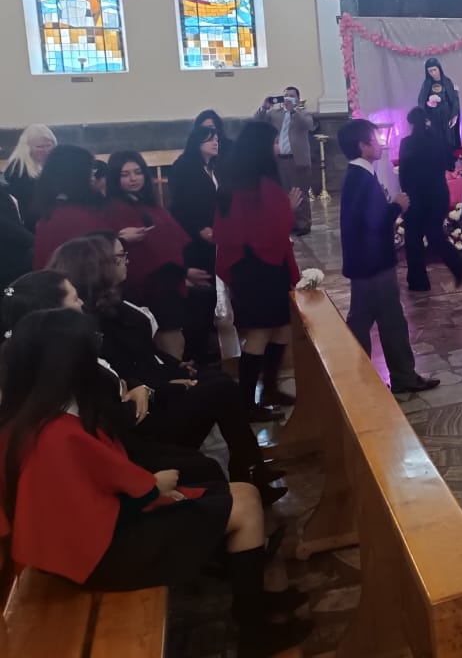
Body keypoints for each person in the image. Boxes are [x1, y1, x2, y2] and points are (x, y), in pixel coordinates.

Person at [0, 309, 311, 657]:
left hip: (101, 537)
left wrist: (151, 488)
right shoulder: (57, 434)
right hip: (104, 555)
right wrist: (156, 487)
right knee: (245, 508)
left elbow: (96, 485)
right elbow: (102, 500)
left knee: (243, 497)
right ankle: (255, 634)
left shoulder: (34, 416)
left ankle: (254, 605)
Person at [47, 235, 285, 503]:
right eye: (119, 257)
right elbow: (123, 375)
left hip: (155, 385)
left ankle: (250, 469)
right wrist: (168, 381)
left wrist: (174, 367)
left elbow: (146, 353)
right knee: (220, 389)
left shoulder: (116, 300)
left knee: (217, 382)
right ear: (98, 267)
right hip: (142, 415)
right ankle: (248, 473)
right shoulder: (91, 323)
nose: (127, 261)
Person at [1, 270, 226, 488]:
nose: (82, 304)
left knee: (214, 401)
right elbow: (100, 423)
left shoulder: (53, 353)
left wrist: (138, 389)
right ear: (51, 311)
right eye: (75, 298)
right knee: (206, 465)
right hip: (112, 456)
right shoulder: (57, 368)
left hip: (119, 441)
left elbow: (117, 386)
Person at [338, 119, 438, 395]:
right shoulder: (359, 178)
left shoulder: (361, 175)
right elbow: (372, 222)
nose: (380, 143)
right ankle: (359, 379)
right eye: (375, 138)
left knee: (384, 320)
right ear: (362, 145)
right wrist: (396, 206)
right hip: (372, 265)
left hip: (369, 263)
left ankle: (392, 376)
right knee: (369, 322)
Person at [215, 121, 302, 412]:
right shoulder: (254, 184)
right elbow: (266, 231)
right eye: (275, 142)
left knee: (281, 329)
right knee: (260, 333)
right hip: (258, 269)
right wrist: (287, 209)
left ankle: (270, 388)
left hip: (261, 266)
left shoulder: (239, 180)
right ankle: (246, 401)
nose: (277, 148)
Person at [104, 151, 207, 359]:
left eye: (137, 172)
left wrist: (183, 272)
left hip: (167, 281)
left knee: (179, 339)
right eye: (125, 174)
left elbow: (172, 238)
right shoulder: (115, 208)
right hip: (150, 287)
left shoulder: (147, 203)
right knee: (170, 345)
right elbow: (147, 254)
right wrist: (183, 273)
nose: (133, 178)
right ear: (115, 178)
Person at [33, 145, 145, 269]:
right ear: (76, 176)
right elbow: (91, 256)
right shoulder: (75, 217)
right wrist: (122, 240)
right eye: (90, 173)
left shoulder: (53, 211)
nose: (92, 179)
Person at [167, 125, 222, 365]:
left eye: (216, 138)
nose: (215, 143)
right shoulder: (184, 168)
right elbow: (179, 207)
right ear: (196, 143)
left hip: (212, 237)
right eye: (209, 140)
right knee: (200, 293)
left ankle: (207, 347)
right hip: (193, 241)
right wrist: (199, 227)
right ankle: (195, 355)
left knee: (210, 294)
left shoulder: (211, 167)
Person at [400, 106, 462, 293]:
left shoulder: (407, 143)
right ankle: (458, 266)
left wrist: (405, 193)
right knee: (435, 234)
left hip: (415, 195)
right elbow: (449, 164)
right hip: (437, 193)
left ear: (411, 123)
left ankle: (418, 282)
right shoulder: (438, 141)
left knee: (413, 238)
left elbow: (403, 173)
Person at [254, 86, 313, 236]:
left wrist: (294, 110)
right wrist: (264, 107)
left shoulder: (303, 114)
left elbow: (308, 125)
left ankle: (303, 224)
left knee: (300, 193)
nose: (287, 98)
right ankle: (289, 222)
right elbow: (257, 122)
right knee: (283, 193)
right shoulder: (275, 114)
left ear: (298, 99)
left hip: (297, 159)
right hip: (280, 160)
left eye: (291, 96)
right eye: (285, 95)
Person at [3, 124, 56, 230]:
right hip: (30, 224)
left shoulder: (52, 163)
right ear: (27, 148)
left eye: (48, 145)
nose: (45, 150)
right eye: (40, 147)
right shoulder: (17, 168)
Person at [416, 57, 462, 152]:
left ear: (439, 68)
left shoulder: (447, 81)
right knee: (436, 141)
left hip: (447, 116)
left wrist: (454, 115)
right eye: (430, 71)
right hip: (433, 117)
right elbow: (421, 101)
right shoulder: (427, 84)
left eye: (434, 70)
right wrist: (428, 107)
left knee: (448, 140)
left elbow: (454, 99)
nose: (433, 73)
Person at [0, 178, 33, 288]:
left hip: (13, 259)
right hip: (10, 264)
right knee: (10, 295)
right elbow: (8, 227)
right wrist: (35, 241)